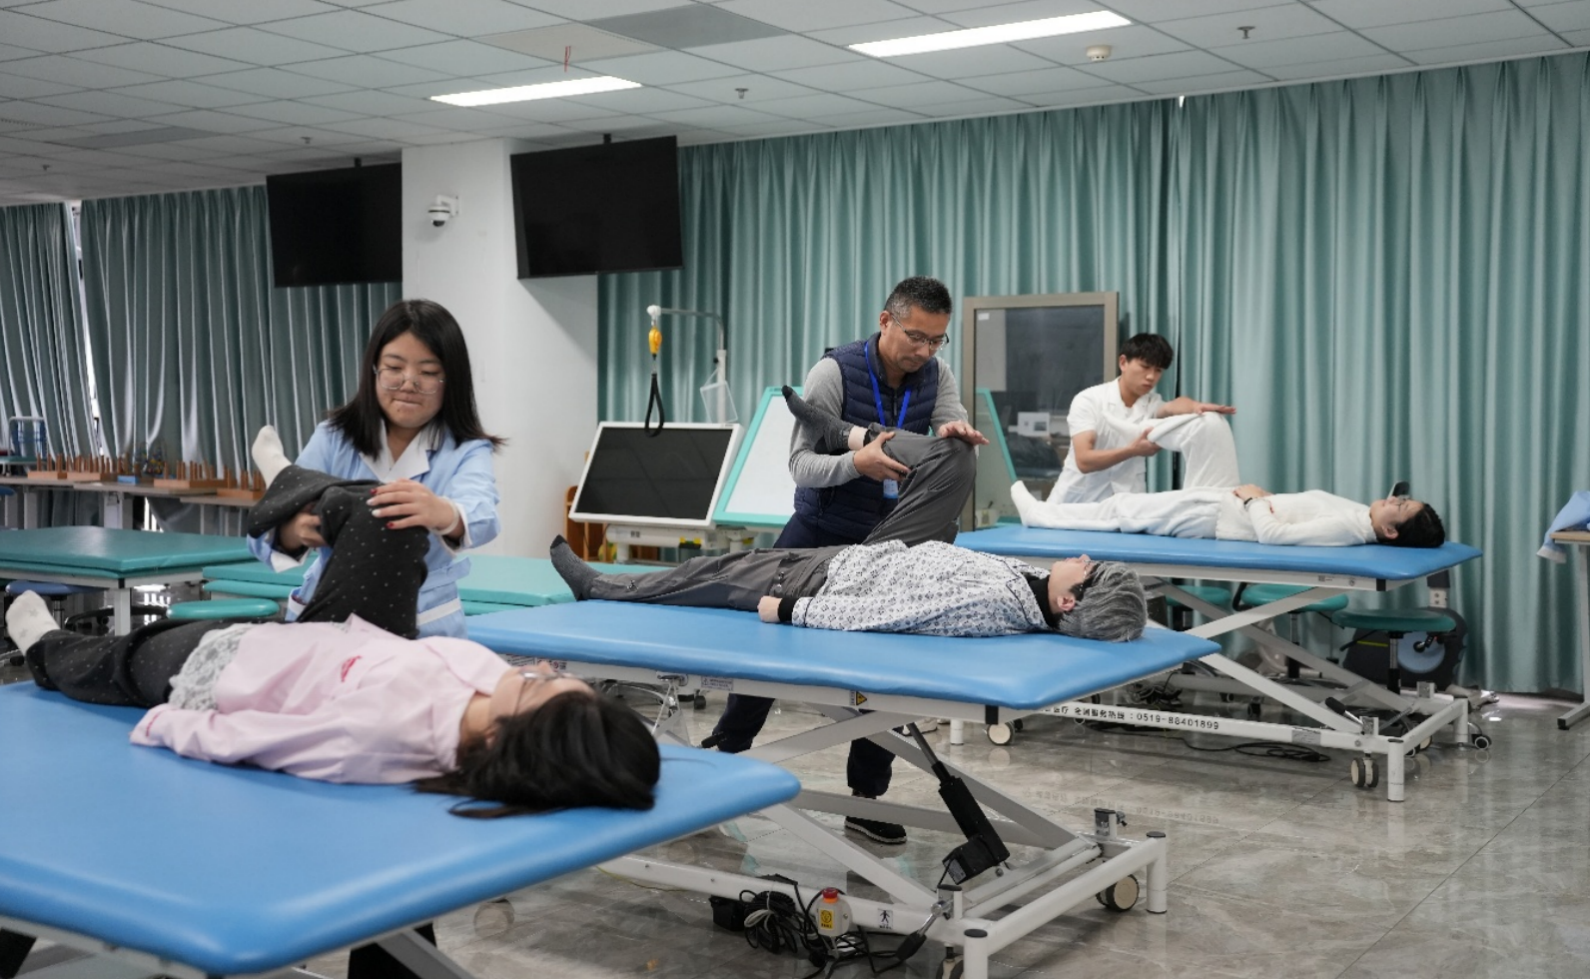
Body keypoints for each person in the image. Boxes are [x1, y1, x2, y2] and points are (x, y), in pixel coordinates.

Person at [7, 479, 661, 812]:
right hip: (320, 642)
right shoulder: (488, 682)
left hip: (213, 669)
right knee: (385, 510)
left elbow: (260, 739)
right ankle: (294, 495)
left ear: (498, 738)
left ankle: (45, 649)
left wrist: (169, 724)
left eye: (544, 682)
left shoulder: (375, 737)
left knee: (118, 659)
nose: (541, 666)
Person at [707, 277, 988, 846]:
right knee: (765, 657)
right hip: (819, 530)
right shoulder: (832, 374)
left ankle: (865, 800)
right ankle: (719, 768)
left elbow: (947, 423)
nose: (925, 351)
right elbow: (801, 466)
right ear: (885, 321)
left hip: (889, 547)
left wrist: (952, 434)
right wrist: (856, 464)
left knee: (884, 675)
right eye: (915, 337)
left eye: (937, 340)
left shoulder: (937, 375)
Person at [550, 391, 1147, 642]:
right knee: (956, 456)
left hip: (832, 578)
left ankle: (601, 587)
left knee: (710, 573)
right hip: (897, 553)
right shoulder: (1033, 589)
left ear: (1069, 603)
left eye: (1090, 570)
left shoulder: (990, 605)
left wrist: (791, 610)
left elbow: (887, 615)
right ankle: (843, 432)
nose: (1083, 557)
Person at [248, 299, 503, 639]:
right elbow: (262, 532)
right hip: (330, 610)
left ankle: (287, 478)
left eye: (428, 373)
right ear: (374, 370)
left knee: (371, 514)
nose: (409, 383)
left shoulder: (466, 450)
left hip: (423, 621)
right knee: (327, 503)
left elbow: (483, 515)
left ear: (451, 380)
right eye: (394, 368)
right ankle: (289, 480)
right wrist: (294, 532)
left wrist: (442, 512)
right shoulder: (333, 437)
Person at [1048, 333, 1236, 505]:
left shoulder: (1151, 403)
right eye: (1145, 367)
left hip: (1125, 503)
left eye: (1158, 370)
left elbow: (1172, 406)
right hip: (1076, 502)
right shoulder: (1089, 400)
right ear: (1123, 362)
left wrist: (1196, 407)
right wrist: (1131, 451)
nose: (1151, 376)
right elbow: (1084, 460)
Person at [1012, 479, 1447, 548]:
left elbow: (1275, 536)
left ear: (1391, 532)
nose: (1394, 500)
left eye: (1401, 507)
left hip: (1219, 517)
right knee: (1121, 508)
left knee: (1122, 512)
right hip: (1223, 505)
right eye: (1401, 498)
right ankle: (1046, 512)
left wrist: (1255, 500)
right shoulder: (1362, 517)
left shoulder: (1346, 527)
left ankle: (1041, 517)